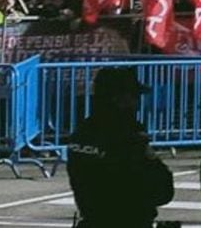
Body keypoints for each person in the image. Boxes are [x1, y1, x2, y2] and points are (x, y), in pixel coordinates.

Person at [67, 68, 174, 228]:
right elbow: (160, 191)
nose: (137, 103)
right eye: (134, 97)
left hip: (92, 218)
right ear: (119, 99)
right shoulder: (128, 135)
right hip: (128, 219)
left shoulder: (82, 132)